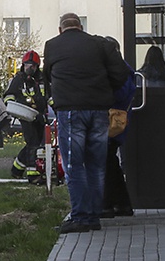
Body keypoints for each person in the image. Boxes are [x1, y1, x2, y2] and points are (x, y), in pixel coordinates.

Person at [43, 12, 131, 234]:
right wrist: (103, 91)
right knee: (96, 164)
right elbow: (121, 74)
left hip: (71, 112)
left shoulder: (52, 45)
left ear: (60, 29)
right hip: (100, 111)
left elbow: (47, 76)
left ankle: (81, 216)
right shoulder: (100, 44)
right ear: (81, 27)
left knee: (74, 163)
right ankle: (93, 215)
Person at [103, 36, 136, 218]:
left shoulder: (120, 71)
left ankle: (109, 204)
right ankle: (121, 204)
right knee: (110, 163)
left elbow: (121, 94)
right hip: (114, 121)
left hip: (112, 121)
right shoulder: (122, 69)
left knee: (106, 162)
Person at [4, 50, 48, 183]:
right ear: (23, 65)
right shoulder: (19, 79)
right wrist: (14, 106)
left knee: (35, 143)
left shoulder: (42, 79)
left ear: (37, 66)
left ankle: (16, 170)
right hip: (25, 114)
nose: (29, 68)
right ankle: (33, 175)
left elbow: (48, 95)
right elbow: (8, 95)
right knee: (33, 143)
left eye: (32, 65)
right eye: (27, 65)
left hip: (39, 116)